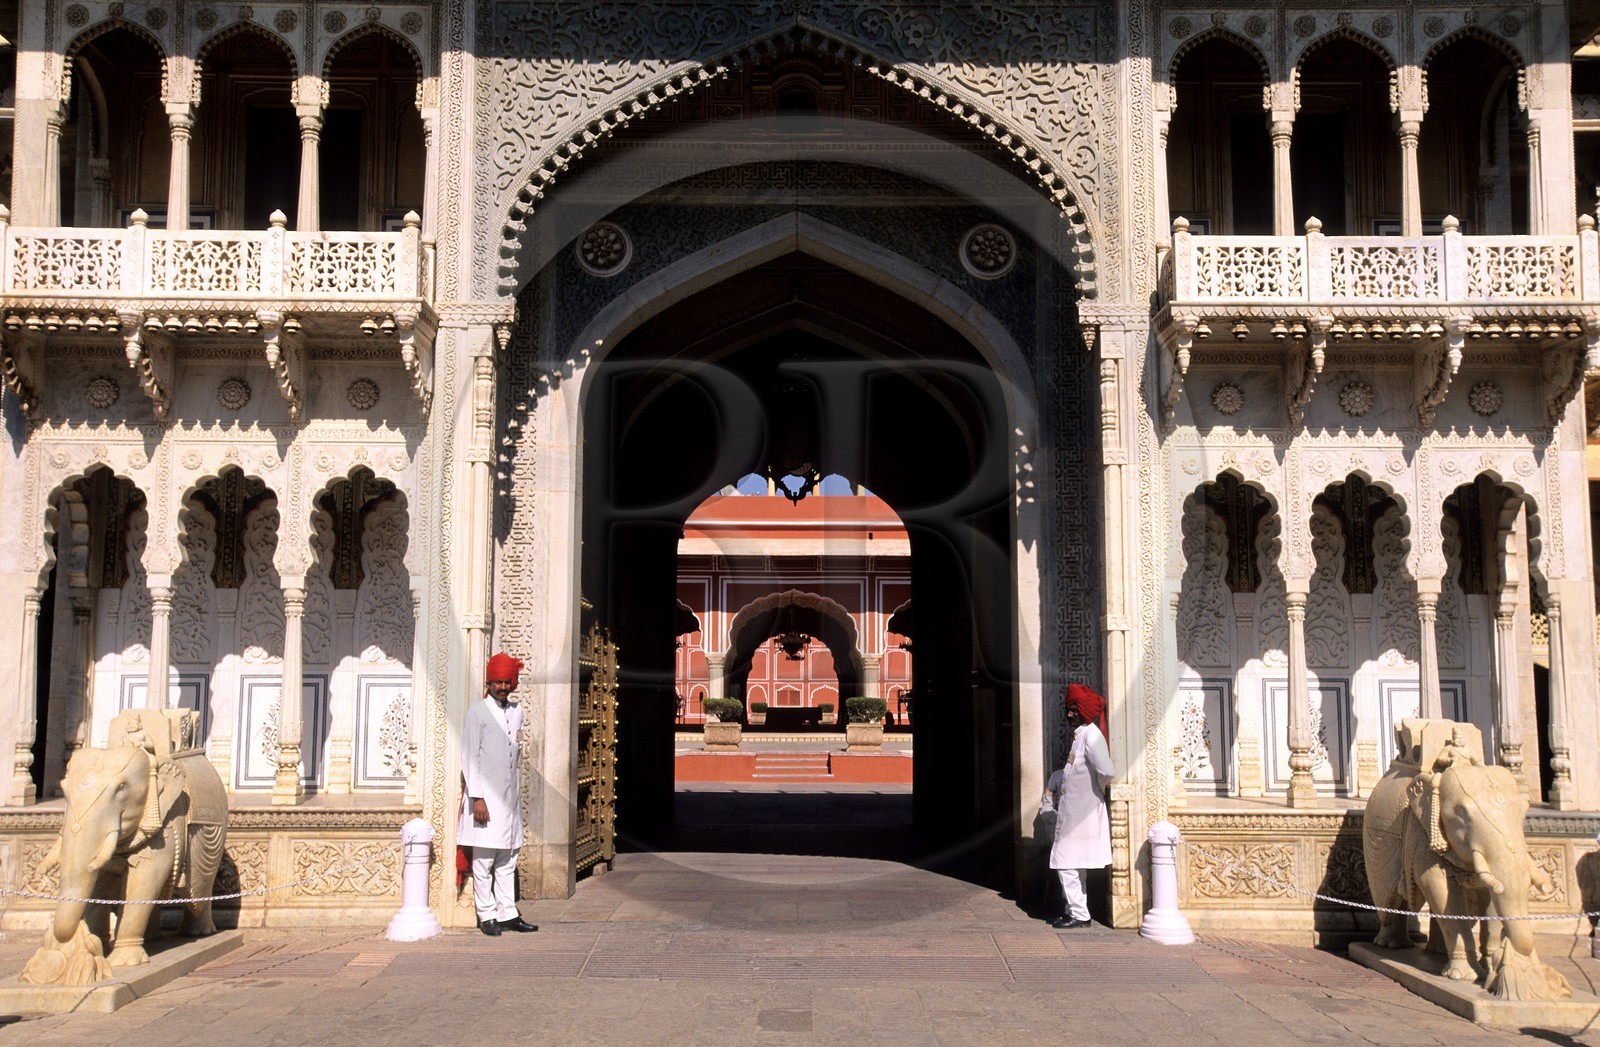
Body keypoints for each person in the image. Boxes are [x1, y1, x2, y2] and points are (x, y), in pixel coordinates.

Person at [458, 652, 538, 937]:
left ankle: (508, 913)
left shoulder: (517, 712)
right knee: (483, 861)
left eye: (507, 682)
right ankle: (487, 915)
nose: (502, 687)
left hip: (509, 797)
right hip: (485, 800)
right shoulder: (477, 713)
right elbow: (469, 757)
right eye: (497, 682)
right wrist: (477, 797)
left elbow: (516, 749)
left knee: (508, 859)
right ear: (489, 683)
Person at [1040, 682, 1114, 929]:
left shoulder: (1092, 737)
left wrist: (1095, 793)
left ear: (1083, 709)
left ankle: (1080, 915)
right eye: (1068, 710)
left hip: (1083, 813)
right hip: (1074, 813)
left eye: (1073, 709)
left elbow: (1106, 771)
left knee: (1065, 862)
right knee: (1073, 864)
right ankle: (1073, 910)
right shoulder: (1080, 736)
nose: (1069, 714)